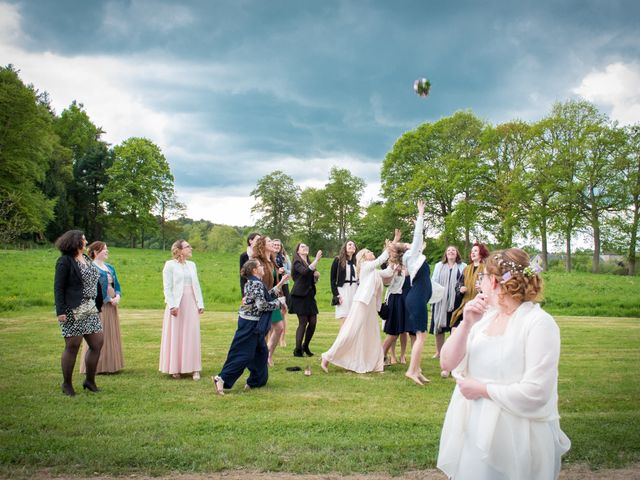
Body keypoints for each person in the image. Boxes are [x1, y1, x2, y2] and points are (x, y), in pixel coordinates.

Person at [438, 248, 571, 479]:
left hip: (516, 436)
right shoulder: (483, 320)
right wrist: (467, 324)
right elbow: (447, 362)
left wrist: (482, 389)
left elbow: (537, 391)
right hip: (475, 431)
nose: (479, 285)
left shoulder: (539, 323)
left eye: (483, 278)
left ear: (495, 282)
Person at [212, 259, 289, 394]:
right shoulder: (256, 284)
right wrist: (279, 303)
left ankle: (255, 382)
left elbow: (263, 296)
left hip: (253, 323)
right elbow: (262, 305)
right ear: (254, 270)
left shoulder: (254, 282)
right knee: (243, 354)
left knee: (261, 353)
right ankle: (221, 378)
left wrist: (280, 285)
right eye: (260, 266)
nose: (263, 267)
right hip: (251, 324)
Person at [321, 241, 393, 374]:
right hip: (362, 302)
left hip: (371, 305)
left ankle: (375, 364)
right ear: (364, 257)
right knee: (350, 331)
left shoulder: (374, 271)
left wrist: (395, 258)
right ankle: (327, 357)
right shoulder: (365, 266)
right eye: (369, 252)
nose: (372, 253)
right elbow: (380, 260)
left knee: (371, 333)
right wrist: (390, 246)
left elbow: (388, 272)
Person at [53, 230, 104, 396]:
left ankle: (89, 381)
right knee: (72, 346)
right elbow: (58, 287)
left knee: (97, 343)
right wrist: (60, 311)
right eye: (84, 239)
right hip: (72, 308)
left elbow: (94, 281)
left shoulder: (87, 259)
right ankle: (66, 384)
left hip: (89, 307)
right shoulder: (65, 261)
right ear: (76, 242)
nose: (86, 241)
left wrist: (98, 304)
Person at [388, 200, 432, 385]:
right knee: (421, 336)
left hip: (417, 298)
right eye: (407, 244)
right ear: (405, 249)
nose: (411, 244)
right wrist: (420, 214)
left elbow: (418, 242)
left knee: (420, 336)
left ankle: (417, 369)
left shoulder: (413, 258)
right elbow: (417, 238)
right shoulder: (410, 256)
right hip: (416, 299)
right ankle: (412, 371)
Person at [159, 239, 205, 380]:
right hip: (177, 303)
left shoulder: (192, 265)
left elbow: (196, 285)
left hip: (191, 301)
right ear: (179, 250)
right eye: (187, 246)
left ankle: (194, 368)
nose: (190, 248)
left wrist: (200, 304)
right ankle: (175, 368)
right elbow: (167, 287)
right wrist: (172, 305)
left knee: (192, 333)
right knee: (176, 333)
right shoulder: (170, 265)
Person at [80, 241, 124, 374]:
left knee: (111, 332)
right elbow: (90, 288)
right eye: (104, 249)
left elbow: (117, 285)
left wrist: (117, 296)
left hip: (112, 304)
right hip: (99, 304)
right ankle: (97, 366)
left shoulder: (110, 267)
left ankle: (111, 365)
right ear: (95, 252)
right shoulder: (90, 267)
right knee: (98, 334)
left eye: (107, 249)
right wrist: (107, 299)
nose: (107, 251)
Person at [430, 245, 466, 377]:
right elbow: (433, 280)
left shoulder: (463, 266)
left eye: (453, 251)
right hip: (441, 301)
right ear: (445, 254)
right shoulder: (439, 266)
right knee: (439, 328)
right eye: (449, 250)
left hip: (456, 301)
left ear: (457, 254)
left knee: (454, 328)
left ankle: (451, 352)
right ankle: (439, 351)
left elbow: (464, 282)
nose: (451, 252)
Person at [252, 236, 286, 366]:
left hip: (272, 297)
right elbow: (251, 279)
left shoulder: (272, 261)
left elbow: (276, 282)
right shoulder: (256, 261)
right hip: (261, 299)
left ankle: (268, 355)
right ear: (262, 245)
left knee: (279, 327)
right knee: (262, 330)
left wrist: (281, 299)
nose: (272, 243)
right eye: (269, 242)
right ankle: (259, 357)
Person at [288, 243, 322, 357]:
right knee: (303, 322)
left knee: (313, 322)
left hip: (309, 296)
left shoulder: (309, 262)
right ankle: (297, 350)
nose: (305, 248)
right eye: (302, 247)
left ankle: (305, 346)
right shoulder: (297, 262)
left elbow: (310, 277)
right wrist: (316, 260)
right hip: (299, 296)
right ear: (298, 251)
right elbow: (305, 272)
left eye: (306, 246)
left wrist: (316, 276)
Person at [450, 242, 489, 329]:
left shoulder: (487, 268)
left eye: (475, 251)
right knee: (455, 329)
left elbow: (492, 287)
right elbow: (457, 286)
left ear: (481, 253)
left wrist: (483, 289)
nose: (472, 253)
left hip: (479, 305)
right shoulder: (466, 269)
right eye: (472, 251)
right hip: (465, 304)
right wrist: (460, 289)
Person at [330, 240, 358, 328]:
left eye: (353, 245)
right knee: (345, 319)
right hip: (343, 291)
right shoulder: (338, 260)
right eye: (349, 244)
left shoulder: (356, 262)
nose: (352, 246)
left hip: (355, 290)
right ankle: (343, 341)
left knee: (354, 320)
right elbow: (332, 279)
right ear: (345, 248)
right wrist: (336, 295)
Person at [272, 238, 291, 348]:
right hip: (272, 285)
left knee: (283, 313)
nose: (276, 246)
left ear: (281, 247)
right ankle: (270, 337)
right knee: (272, 314)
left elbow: (290, 272)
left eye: (278, 245)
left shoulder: (285, 257)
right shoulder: (269, 257)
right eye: (274, 244)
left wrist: (284, 270)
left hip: (283, 286)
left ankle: (282, 338)